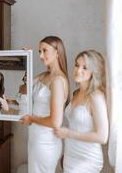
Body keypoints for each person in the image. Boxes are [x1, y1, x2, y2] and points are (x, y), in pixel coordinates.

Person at [20, 36, 69, 173]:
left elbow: (55, 122)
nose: (41, 55)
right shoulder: (44, 75)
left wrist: (31, 119)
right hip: (35, 138)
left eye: (44, 51)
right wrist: (27, 60)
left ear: (57, 52)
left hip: (46, 142)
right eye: (39, 51)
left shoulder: (58, 81)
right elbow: (23, 89)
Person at [54, 50, 108, 172]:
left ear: (94, 72)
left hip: (87, 158)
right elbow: (74, 125)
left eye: (85, 68)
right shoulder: (76, 93)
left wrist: (68, 134)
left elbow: (102, 137)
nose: (78, 70)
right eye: (77, 65)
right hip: (70, 154)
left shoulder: (96, 96)